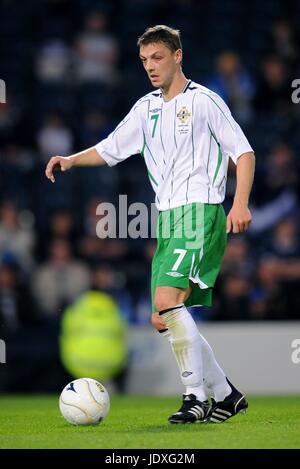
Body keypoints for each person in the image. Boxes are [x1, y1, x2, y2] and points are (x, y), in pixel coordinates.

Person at [45, 25, 255, 424]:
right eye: (144, 61)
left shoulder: (206, 102)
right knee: (165, 314)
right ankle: (227, 395)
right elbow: (110, 149)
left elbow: (243, 153)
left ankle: (194, 397)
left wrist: (239, 204)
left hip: (200, 212)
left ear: (178, 55)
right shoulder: (146, 108)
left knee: (166, 303)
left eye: (157, 57)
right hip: (168, 219)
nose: (150, 67)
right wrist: (71, 159)